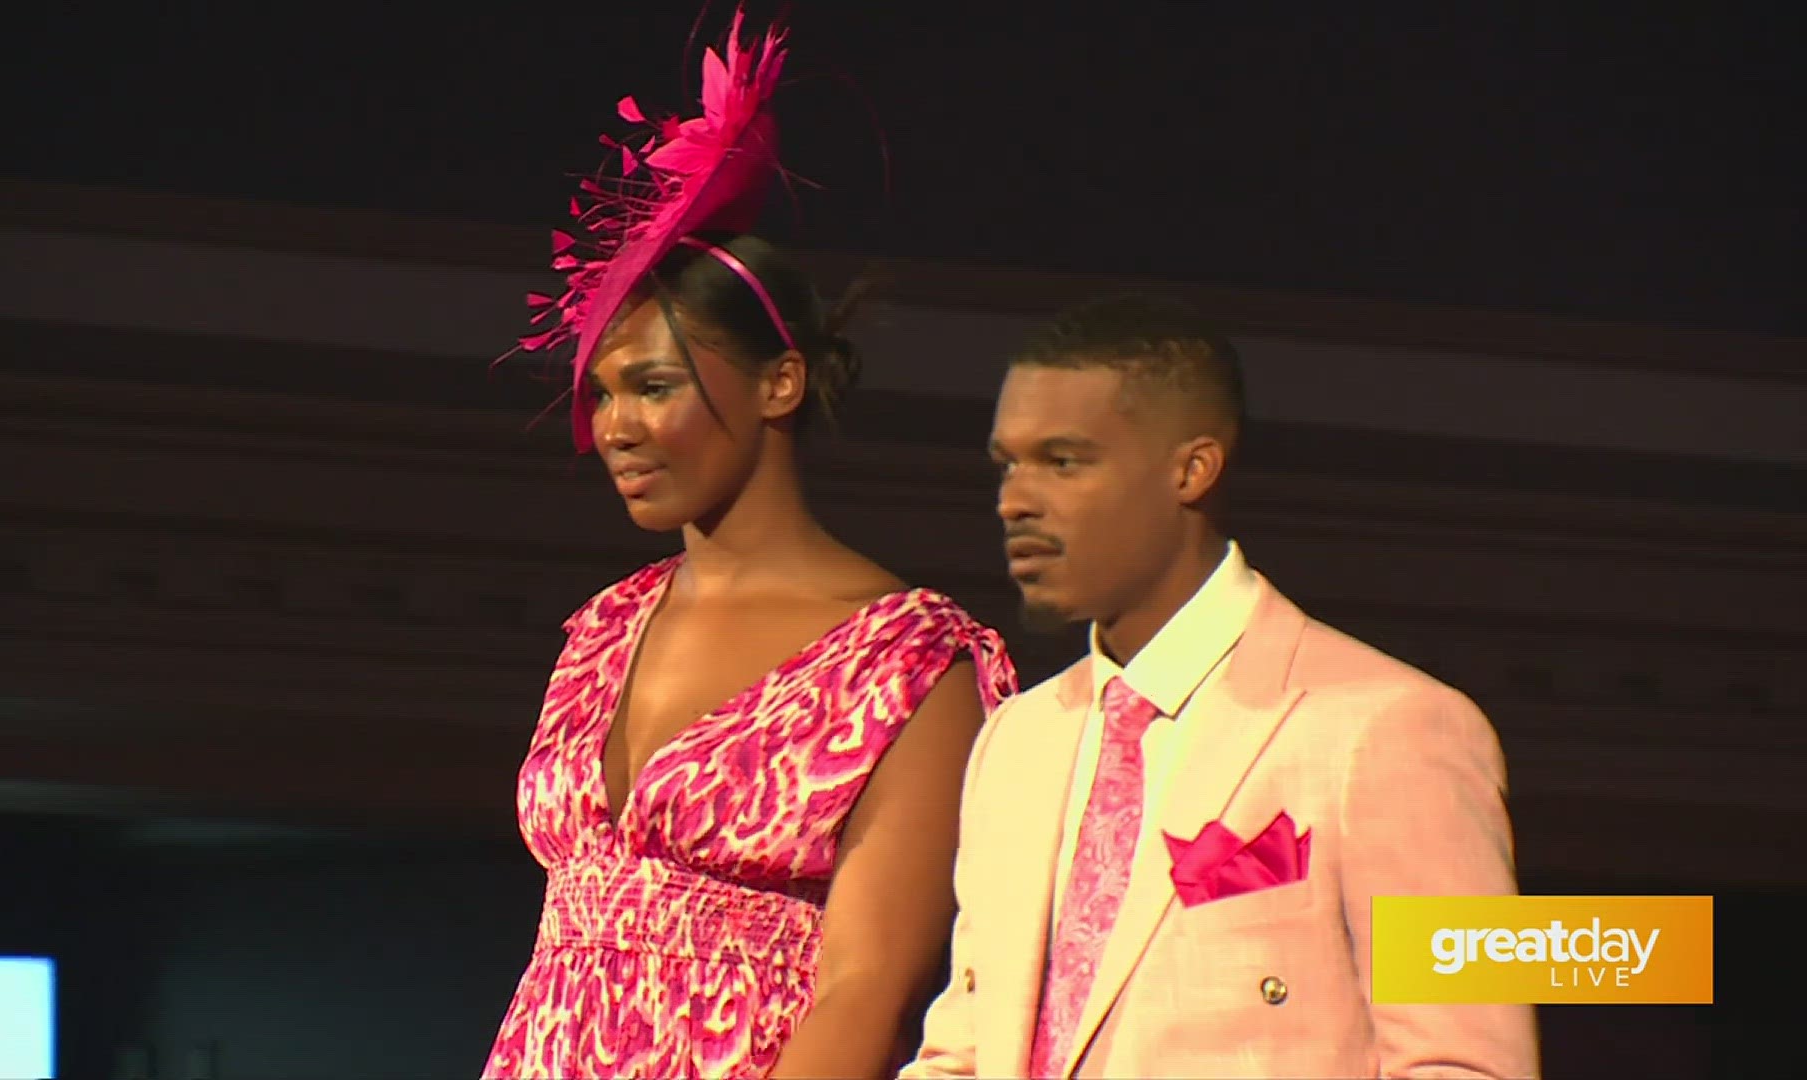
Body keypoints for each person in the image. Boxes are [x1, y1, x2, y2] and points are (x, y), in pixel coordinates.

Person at [480, 11, 1017, 1079]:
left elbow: (869, 985)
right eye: (602, 394)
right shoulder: (604, 627)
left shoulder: (905, 665)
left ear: (781, 380)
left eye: (655, 386)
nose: (615, 427)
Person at [902, 295, 1540, 1078]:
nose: (1016, 500)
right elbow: (965, 1049)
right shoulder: (1016, 740)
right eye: (1008, 464)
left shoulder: (1394, 726)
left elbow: (1468, 1063)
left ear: (1191, 468)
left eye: (1064, 461)